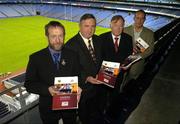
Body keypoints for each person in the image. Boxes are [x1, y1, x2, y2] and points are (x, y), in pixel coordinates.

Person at [24, 21, 81, 124]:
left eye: (60, 36)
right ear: (47, 36)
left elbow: (78, 76)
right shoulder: (36, 58)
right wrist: (47, 89)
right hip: (48, 109)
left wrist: (79, 87)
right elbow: (29, 84)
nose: (58, 40)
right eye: (53, 36)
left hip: (69, 107)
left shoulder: (73, 55)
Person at [65, 13, 104, 124]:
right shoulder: (70, 45)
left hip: (98, 87)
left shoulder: (98, 40)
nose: (90, 29)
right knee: (85, 115)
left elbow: (100, 60)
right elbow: (70, 70)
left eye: (93, 26)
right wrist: (87, 77)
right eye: (86, 26)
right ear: (80, 26)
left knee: (95, 112)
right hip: (83, 90)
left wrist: (101, 72)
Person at [100, 15, 133, 124]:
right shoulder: (101, 38)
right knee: (103, 97)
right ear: (111, 25)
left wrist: (126, 66)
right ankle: (102, 116)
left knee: (114, 96)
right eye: (116, 25)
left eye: (121, 26)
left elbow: (128, 57)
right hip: (104, 76)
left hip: (119, 75)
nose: (118, 28)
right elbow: (98, 58)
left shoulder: (128, 39)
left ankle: (111, 115)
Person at [123, 9, 154, 84]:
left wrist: (136, 57)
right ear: (134, 18)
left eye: (142, 18)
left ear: (145, 19)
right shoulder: (125, 30)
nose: (139, 21)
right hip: (124, 62)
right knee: (120, 83)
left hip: (138, 65)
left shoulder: (150, 33)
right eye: (137, 18)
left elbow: (150, 50)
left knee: (131, 85)